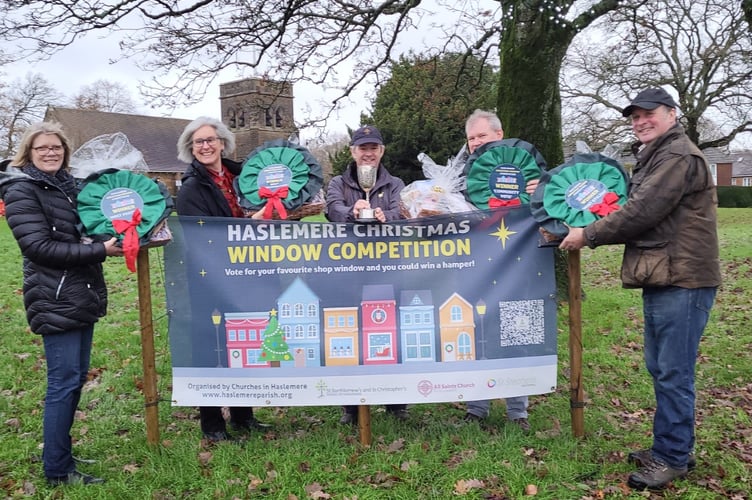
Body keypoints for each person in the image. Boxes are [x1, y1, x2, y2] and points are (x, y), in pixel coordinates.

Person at [558, 88, 720, 490]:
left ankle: (672, 457)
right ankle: (674, 446)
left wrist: (588, 235)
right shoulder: (657, 155)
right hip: (664, 275)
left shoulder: (677, 155)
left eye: (649, 114)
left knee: (673, 371)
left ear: (671, 114)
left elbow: (643, 210)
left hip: (683, 278)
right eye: (634, 117)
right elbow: (624, 202)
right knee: (662, 368)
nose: (641, 121)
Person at [0, 122, 124, 486]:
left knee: (73, 379)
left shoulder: (68, 186)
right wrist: (100, 249)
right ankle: (56, 469)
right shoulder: (22, 189)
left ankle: (61, 453)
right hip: (54, 298)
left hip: (79, 293)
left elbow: (87, 226)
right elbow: (39, 247)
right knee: (63, 383)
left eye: (56, 147)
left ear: (65, 151)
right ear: (29, 153)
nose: (51, 153)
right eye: (42, 149)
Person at [176, 116, 270, 442]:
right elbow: (204, 235)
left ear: (222, 143)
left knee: (242, 343)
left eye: (210, 140)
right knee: (212, 347)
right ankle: (212, 424)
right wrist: (248, 224)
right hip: (209, 277)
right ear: (191, 148)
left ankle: (244, 417)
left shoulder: (240, 176)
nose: (205, 146)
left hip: (243, 273)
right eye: (198, 142)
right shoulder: (191, 187)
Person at [325, 125, 408, 424]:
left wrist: (390, 218)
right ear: (353, 151)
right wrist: (352, 209)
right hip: (349, 270)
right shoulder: (338, 182)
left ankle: (395, 400)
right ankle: (351, 403)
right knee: (352, 332)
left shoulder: (395, 183)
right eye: (363, 147)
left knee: (390, 330)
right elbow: (332, 209)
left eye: (374, 147)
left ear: (382, 151)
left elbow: (403, 213)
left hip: (387, 269)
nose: (368, 152)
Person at [462, 109, 538, 432]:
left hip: (520, 265)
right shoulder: (462, 177)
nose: (477, 143)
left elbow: (552, 212)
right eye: (472, 138)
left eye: (482, 136)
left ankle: (517, 410)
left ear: (499, 134)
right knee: (477, 332)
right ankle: (475, 407)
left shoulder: (527, 169)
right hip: (478, 265)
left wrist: (542, 192)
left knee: (518, 331)